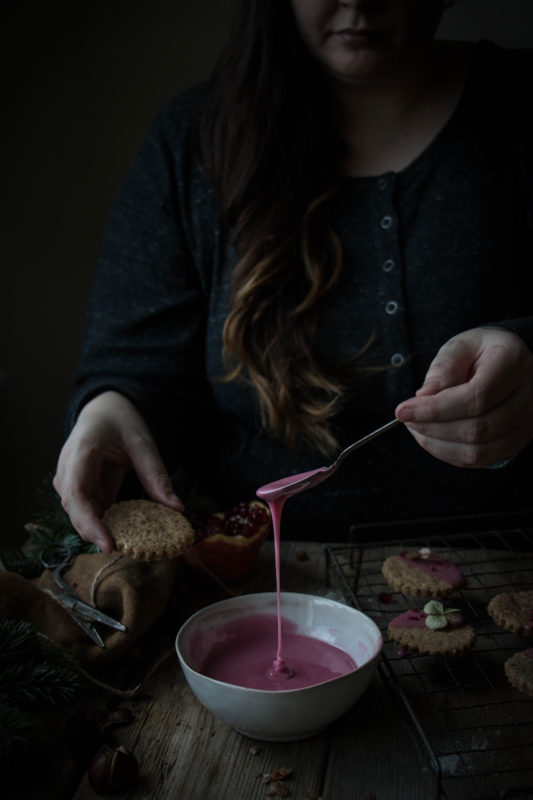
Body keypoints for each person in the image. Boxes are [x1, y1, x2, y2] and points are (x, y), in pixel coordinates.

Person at [54, 0, 533, 553]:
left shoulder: (517, 110)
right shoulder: (192, 145)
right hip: (249, 574)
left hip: (507, 557)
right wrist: (111, 406)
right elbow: (136, 363)